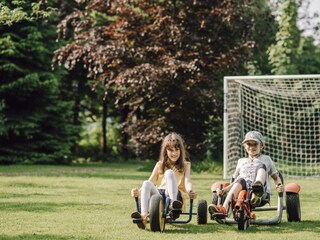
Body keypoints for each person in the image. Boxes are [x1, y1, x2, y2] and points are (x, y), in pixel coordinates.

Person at [208, 130, 284, 223]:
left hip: (262, 192)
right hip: (242, 189)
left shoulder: (266, 159)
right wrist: (224, 190)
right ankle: (223, 209)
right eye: (249, 144)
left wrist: (279, 185)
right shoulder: (241, 161)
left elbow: (276, 177)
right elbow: (235, 181)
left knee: (261, 166)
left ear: (261, 146)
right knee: (240, 179)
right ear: (245, 146)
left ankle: (257, 192)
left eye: (255, 144)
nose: (252, 147)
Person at [131, 132, 197, 229]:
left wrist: (190, 191)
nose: (174, 153)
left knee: (169, 173)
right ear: (165, 151)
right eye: (171, 150)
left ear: (181, 150)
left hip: (175, 195)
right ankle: (143, 217)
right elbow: (151, 181)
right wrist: (138, 192)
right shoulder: (160, 164)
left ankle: (173, 205)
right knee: (146, 183)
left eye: (177, 149)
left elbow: (187, 181)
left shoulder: (185, 165)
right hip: (160, 194)